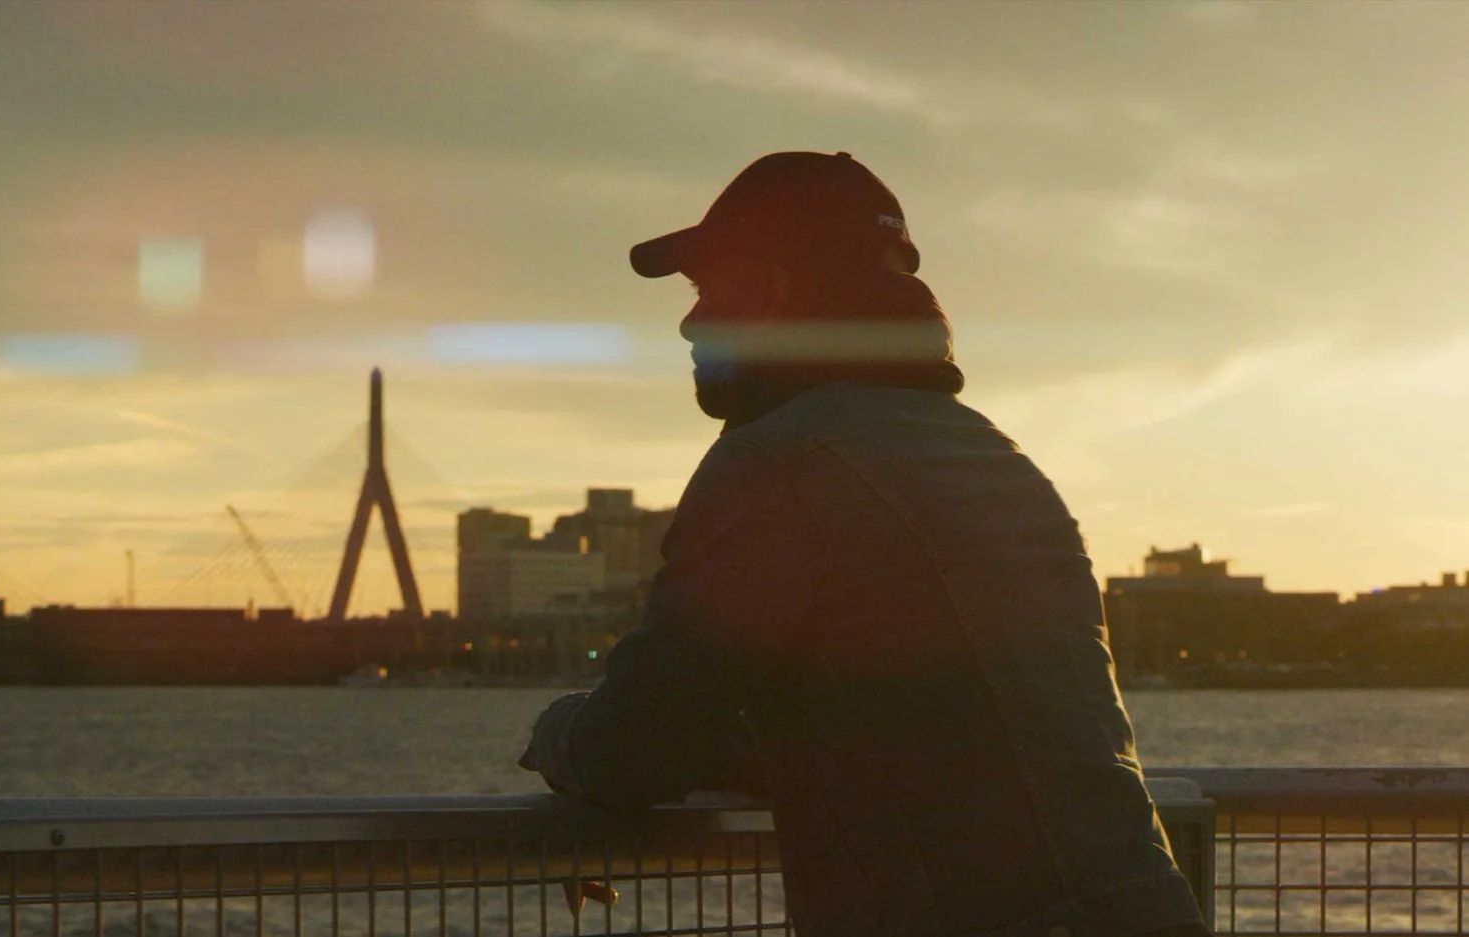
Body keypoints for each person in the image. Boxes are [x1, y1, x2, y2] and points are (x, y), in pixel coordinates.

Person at [517, 152, 1210, 937]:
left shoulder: (778, 462)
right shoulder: (997, 459)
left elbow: (635, 750)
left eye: (712, 289)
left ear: (775, 288)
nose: (690, 321)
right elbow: (933, 721)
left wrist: (554, 732)